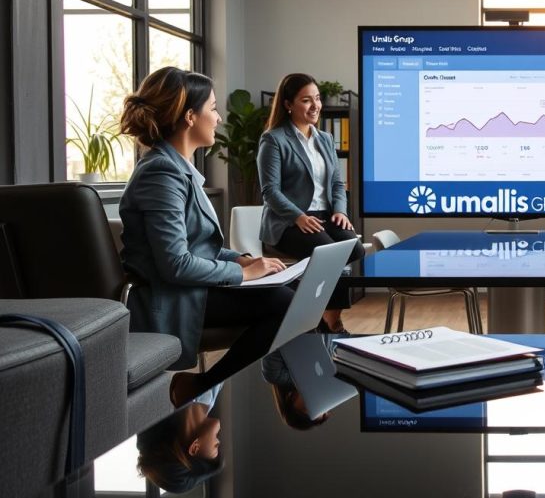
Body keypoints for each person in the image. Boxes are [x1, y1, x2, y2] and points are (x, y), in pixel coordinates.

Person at [119, 66, 291, 404]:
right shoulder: (161, 173)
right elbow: (175, 263)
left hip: (190, 288)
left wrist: (242, 260)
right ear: (189, 117)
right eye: (212, 108)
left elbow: (199, 247)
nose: (219, 118)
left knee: (292, 293)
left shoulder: (177, 169)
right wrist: (242, 274)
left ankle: (211, 387)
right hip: (172, 296)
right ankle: (202, 385)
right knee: (284, 303)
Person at [257, 73, 365, 333]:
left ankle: (328, 315)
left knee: (354, 248)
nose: (315, 105)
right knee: (328, 252)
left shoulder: (325, 139)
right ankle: (324, 321)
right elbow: (270, 191)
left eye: (317, 98)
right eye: (306, 100)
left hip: (324, 216)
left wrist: (340, 211)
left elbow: (337, 183)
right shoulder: (274, 139)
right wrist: (298, 217)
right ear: (288, 104)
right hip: (288, 222)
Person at [136, 385, 225, 493]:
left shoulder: (171, 390)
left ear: (195, 448)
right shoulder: (212, 395)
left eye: (216, 446)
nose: (219, 442)